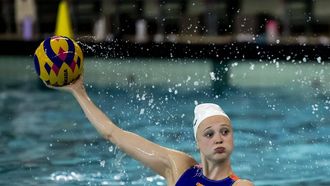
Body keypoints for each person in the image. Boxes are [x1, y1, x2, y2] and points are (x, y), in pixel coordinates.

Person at [49, 75, 253, 186]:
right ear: (197, 142)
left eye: (225, 132)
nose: (219, 138)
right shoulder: (179, 167)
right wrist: (78, 91)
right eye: (209, 133)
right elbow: (113, 133)